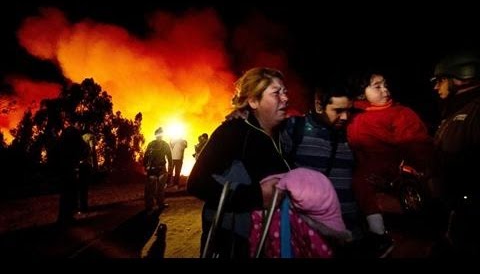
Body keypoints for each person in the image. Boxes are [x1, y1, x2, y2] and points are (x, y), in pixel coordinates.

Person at [187, 67, 291, 258]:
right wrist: (256, 196)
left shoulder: (287, 132)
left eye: (285, 92)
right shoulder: (231, 133)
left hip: (275, 241)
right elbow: (196, 183)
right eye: (276, 93)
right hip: (233, 242)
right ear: (253, 100)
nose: (285, 98)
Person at [346, 70, 432, 257]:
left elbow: (417, 145)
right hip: (366, 177)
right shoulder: (353, 115)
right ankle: (377, 234)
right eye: (377, 86)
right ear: (362, 93)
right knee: (360, 182)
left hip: (395, 175)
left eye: (385, 84)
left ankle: (380, 235)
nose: (385, 90)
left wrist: (411, 172)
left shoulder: (401, 113)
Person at [281, 83, 366, 256]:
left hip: (350, 234)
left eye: (349, 110)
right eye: (338, 110)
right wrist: (240, 116)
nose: (344, 117)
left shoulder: (353, 133)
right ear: (319, 104)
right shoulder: (294, 128)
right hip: (307, 235)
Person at [430, 52, 480, 257]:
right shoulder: (455, 112)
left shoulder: (475, 111)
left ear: (459, 78)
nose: (436, 87)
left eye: (440, 80)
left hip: (471, 218)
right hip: (455, 214)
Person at [54, 123, 89, 225]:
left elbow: (57, 150)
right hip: (69, 168)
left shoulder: (64, 136)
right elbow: (84, 149)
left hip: (64, 168)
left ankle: (64, 217)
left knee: (65, 192)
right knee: (70, 192)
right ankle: (67, 217)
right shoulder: (74, 134)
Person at [143, 127, 172, 213]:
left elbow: (169, 157)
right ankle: (149, 205)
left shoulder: (165, 145)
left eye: (161, 134)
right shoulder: (151, 144)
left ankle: (160, 203)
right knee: (150, 188)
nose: (159, 136)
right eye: (158, 134)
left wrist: (170, 167)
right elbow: (146, 155)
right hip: (152, 169)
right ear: (156, 135)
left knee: (161, 188)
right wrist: (145, 166)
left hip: (162, 169)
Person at [77, 128, 98, 214]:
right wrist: (94, 164)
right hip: (86, 164)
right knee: (84, 187)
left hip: (79, 164)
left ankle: (80, 206)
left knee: (80, 187)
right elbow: (92, 150)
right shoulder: (91, 137)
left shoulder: (81, 137)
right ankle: (83, 207)